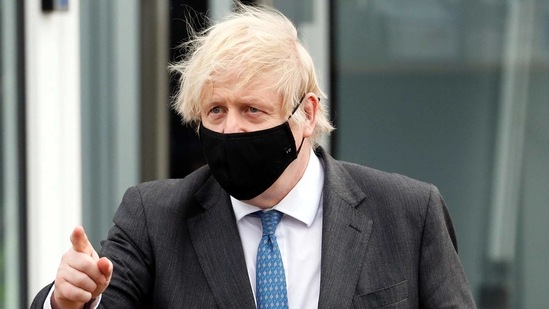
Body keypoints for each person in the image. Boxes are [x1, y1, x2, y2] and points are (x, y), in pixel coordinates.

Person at [32, 3, 476, 309]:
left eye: (252, 110)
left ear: (306, 115)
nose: (230, 129)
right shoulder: (153, 218)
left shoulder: (408, 214)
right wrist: (68, 300)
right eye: (216, 110)